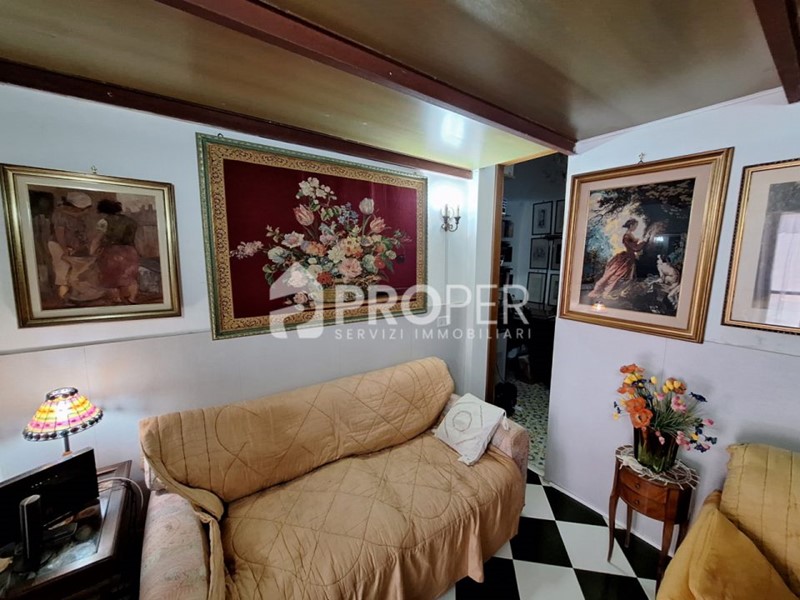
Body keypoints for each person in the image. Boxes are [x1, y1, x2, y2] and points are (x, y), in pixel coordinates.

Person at [47, 191, 94, 304]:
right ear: (73, 207)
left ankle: (74, 297)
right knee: (63, 273)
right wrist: (64, 250)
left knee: (75, 273)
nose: (84, 212)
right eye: (82, 209)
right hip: (59, 246)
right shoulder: (60, 215)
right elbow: (60, 234)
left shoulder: (79, 218)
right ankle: (64, 299)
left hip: (73, 248)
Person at [91, 198, 140, 303]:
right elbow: (135, 238)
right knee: (130, 277)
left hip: (112, 252)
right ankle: (132, 298)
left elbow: (97, 238)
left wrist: (92, 251)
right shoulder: (131, 221)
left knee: (111, 277)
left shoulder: (103, 222)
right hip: (130, 251)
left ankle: (117, 299)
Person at [588, 218, 650, 300]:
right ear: (631, 225)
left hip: (630, 258)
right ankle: (606, 292)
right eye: (635, 225)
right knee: (616, 275)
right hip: (627, 259)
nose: (636, 227)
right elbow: (635, 248)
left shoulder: (630, 234)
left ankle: (615, 292)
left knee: (625, 277)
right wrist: (644, 241)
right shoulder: (627, 236)